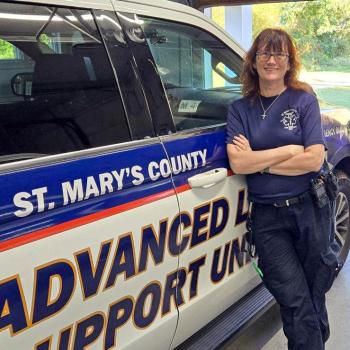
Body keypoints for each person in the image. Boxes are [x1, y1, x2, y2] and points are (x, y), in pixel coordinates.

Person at [226, 28, 339, 350]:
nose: (271, 60)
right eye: (264, 53)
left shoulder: (303, 99)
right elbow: (239, 163)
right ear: (253, 61)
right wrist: (289, 150)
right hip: (268, 219)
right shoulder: (239, 109)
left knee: (313, 292)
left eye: (279, 54)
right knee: (293, 297)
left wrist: (258, 160)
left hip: (310, 209)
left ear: (289, 62)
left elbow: (314, 160)